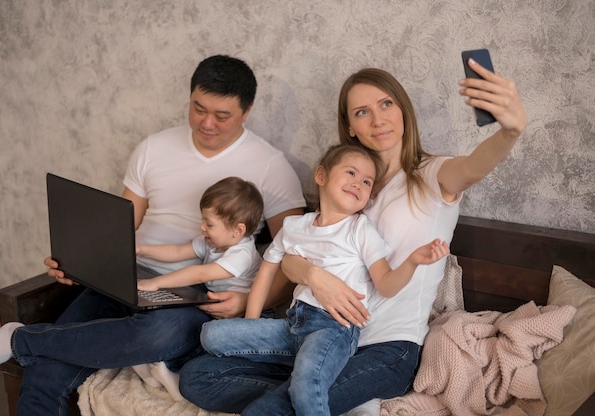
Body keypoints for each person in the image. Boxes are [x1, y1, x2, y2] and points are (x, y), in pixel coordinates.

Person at [179, 58, 528, 415]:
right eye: (362, 112)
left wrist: (509, 132)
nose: (378, 119)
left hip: (385, 347)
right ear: (350, 127)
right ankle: (308, 388)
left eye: (386, 104)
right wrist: (314, 276)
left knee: (273, 409)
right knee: (197, 376)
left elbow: (473, 166)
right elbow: (293, 250)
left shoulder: (432, 176)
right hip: (319, 334)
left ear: (403, 110)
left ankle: (298, 394)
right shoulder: (348, 186)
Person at [0, 55, 306, 415]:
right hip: (128, 274)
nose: (206, 123)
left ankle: (17, 338)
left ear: (247, 110)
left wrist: (248, 303)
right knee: (45, 373)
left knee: (157, 335)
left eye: (221, 115)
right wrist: (78, 259)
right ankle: (21, 343)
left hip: (192, 296)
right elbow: (120, 227)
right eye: (198, 108)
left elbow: (291, 258)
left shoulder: (270, 167)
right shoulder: (153, 148)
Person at [200, 144, 449, 416]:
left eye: (367, 181)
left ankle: (310, 381)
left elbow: (387, 284)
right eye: (351, 173)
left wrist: (413, 261)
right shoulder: (294, 227)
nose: (358, 183)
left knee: (305, 384)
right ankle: (305, 371)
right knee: (211, 335)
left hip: (333, 329)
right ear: (321, 176)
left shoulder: (359, 229)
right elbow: (268, 271)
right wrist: (251, 324)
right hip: (294, 326)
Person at [136, 176, 263, 294]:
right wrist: (139, 250)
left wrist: (155, 283)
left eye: (209, 224)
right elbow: (177, 251)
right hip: (211, 295)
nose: (202, 227)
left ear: (238, 230)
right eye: (202, 220)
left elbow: (199, 275)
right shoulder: (212, 242)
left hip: (237, 310)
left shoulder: (242, 255)